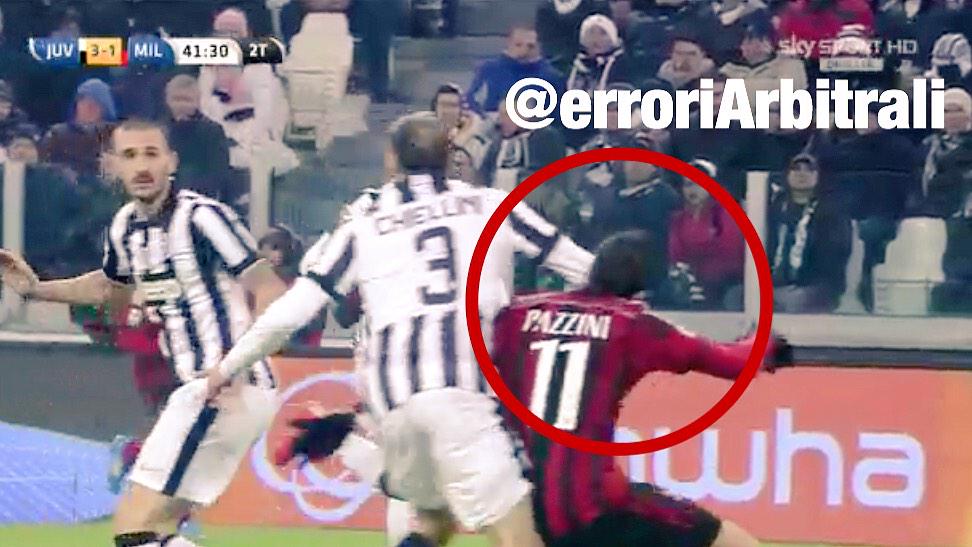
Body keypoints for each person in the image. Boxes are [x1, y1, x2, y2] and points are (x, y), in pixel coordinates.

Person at [207, 112, 595, 547]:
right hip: (462, 393)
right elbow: (580, 266)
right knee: (517, 535)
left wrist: (228, 366)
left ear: (391, 159)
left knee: (431, 522)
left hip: (393, 407)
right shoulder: (492, 204)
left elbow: (293, 310)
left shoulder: (362, 224)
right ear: (451, 155)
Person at [0, 118, 289, 547]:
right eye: (130, 156)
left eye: (152, 154)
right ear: (113, 165)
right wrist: (36, 288)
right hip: (199, 393)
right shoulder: (125, 227)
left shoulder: (202, 217)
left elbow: (269, 288)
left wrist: (236, 366)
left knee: (134, 525)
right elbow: (109, 288)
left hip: (223, 389)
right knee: (154, 528)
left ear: (172, 161)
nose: (142, 166)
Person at [491, 229, 791, 547]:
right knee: (733, 543)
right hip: (596, 504)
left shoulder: (518, 314)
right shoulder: (634, 326)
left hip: (531, 506)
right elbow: (734, 362)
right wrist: (770, 344)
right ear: (648, 286)